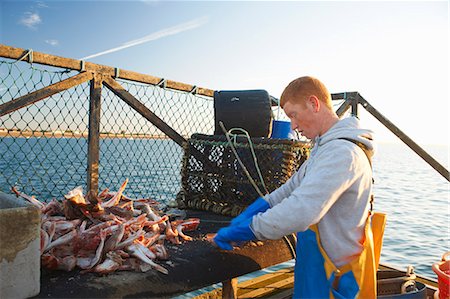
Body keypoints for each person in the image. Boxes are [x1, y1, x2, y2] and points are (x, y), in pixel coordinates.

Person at [212, 76, 381, 298]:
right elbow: (290, 189)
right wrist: (256, 208)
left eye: (294, 115)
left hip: (337, 278)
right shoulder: (324, 148)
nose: (292, 125)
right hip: (319, 269)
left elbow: (301, 211)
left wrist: (247, 229)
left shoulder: (342, 153)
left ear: (314, 103)